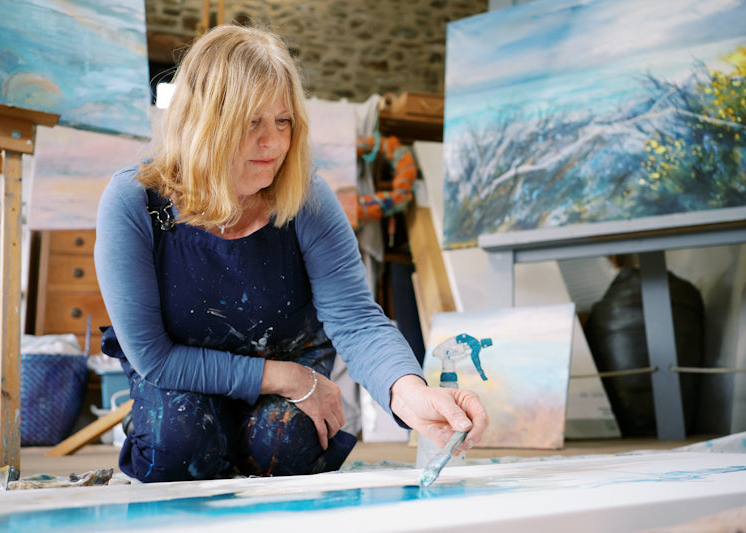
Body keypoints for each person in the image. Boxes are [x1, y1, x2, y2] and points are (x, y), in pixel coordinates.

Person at [94, 24, 489, 483]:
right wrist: (288, 378)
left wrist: (410, 392)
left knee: (284, 450)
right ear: (202, 122)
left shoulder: (307, 197)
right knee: (180, 450)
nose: (274, 143)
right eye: (251, 123)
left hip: (287, 365)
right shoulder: (134, 201)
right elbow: (155, 357)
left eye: (282, 121)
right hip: (179, 375)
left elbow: (357, 320)